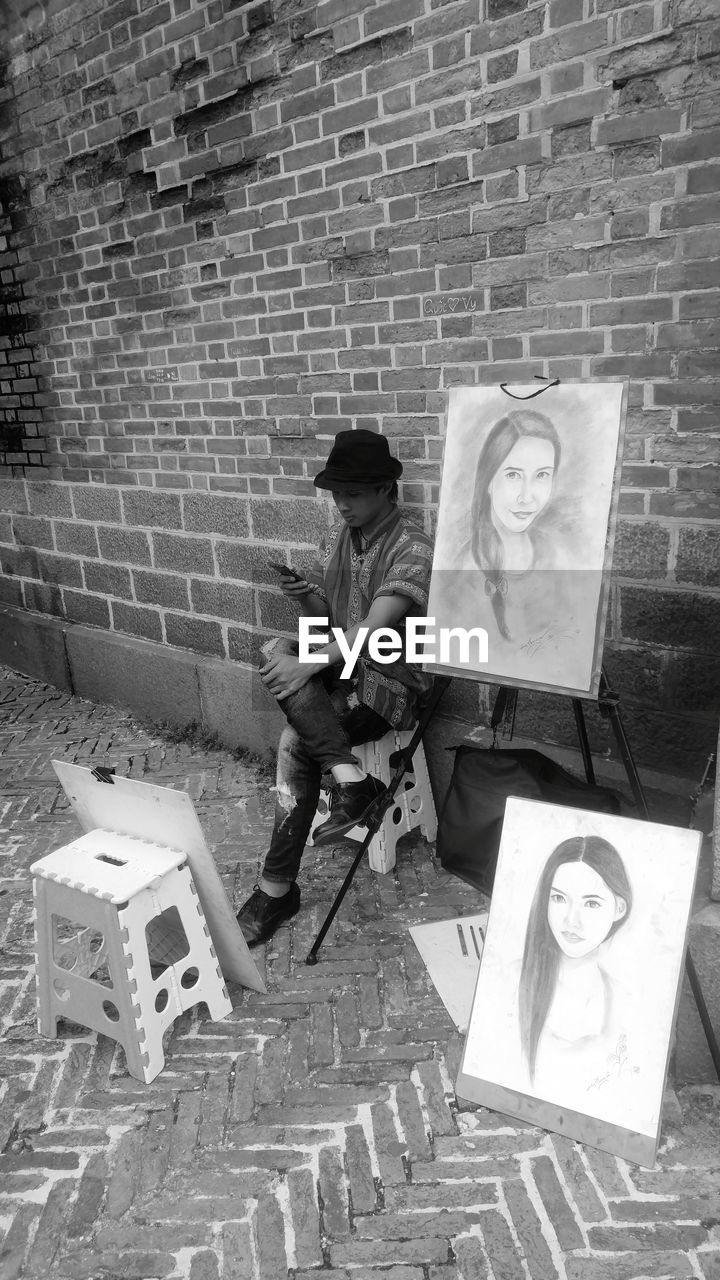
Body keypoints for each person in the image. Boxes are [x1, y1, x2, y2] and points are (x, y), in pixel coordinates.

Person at [235, 429, 434, 947]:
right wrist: (306, 599)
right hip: (342, 668)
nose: (342, 504)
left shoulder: (413, 542)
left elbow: (378, 623)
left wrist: (308, 668)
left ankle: (276, 889)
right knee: (275, 651)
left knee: (295, 744)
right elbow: (327, 622)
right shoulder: (336, 539)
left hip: (389, 680)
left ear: (386, 489)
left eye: (354, 493)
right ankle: (349, 778)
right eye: (336, 494)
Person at [518, 835, 633, 1089]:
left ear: (619, 908)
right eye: (559, 898)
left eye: (591, 903)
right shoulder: (511, 980)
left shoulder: (626, 1002)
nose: (572, 920)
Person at [467, 408, 564, 643]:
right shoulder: (459, 572)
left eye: (541, 475)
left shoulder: (560, 557)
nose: (526, 497)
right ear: (488, 481)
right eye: (513, 475)